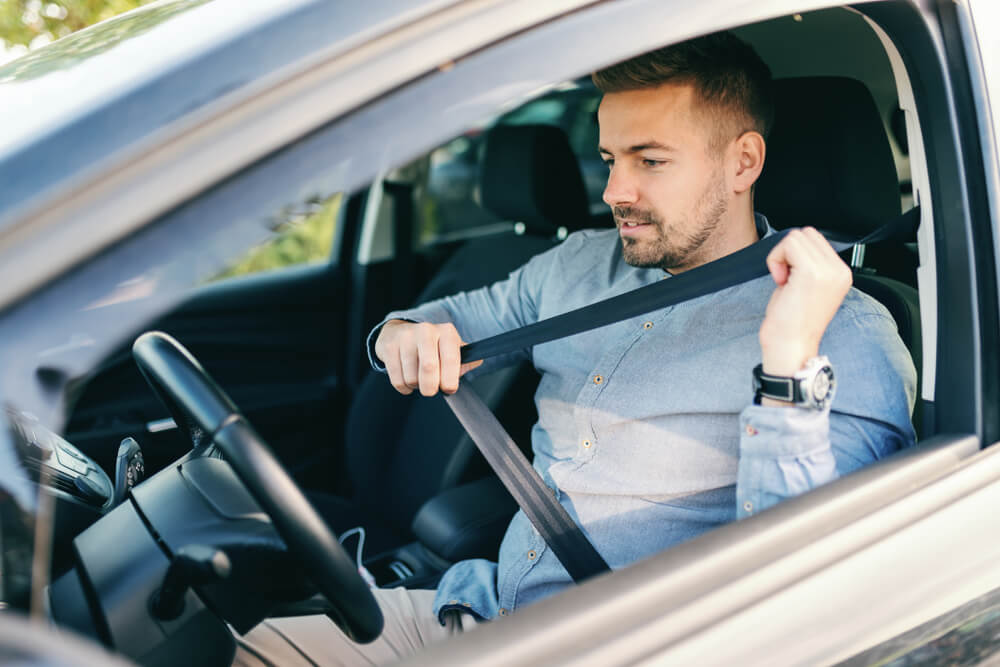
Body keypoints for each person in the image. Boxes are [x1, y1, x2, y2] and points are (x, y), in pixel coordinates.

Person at [234, 31, 916, 666]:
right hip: (485, 609)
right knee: (260, 644)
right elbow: (430, 320)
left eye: (650, 160)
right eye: (611, 159)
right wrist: (402, 336)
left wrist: (788, 362)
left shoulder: (843, 334)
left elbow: (800, 593)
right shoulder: (576, 267)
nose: (615, 191)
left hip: (621, 649)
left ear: (743, 162)